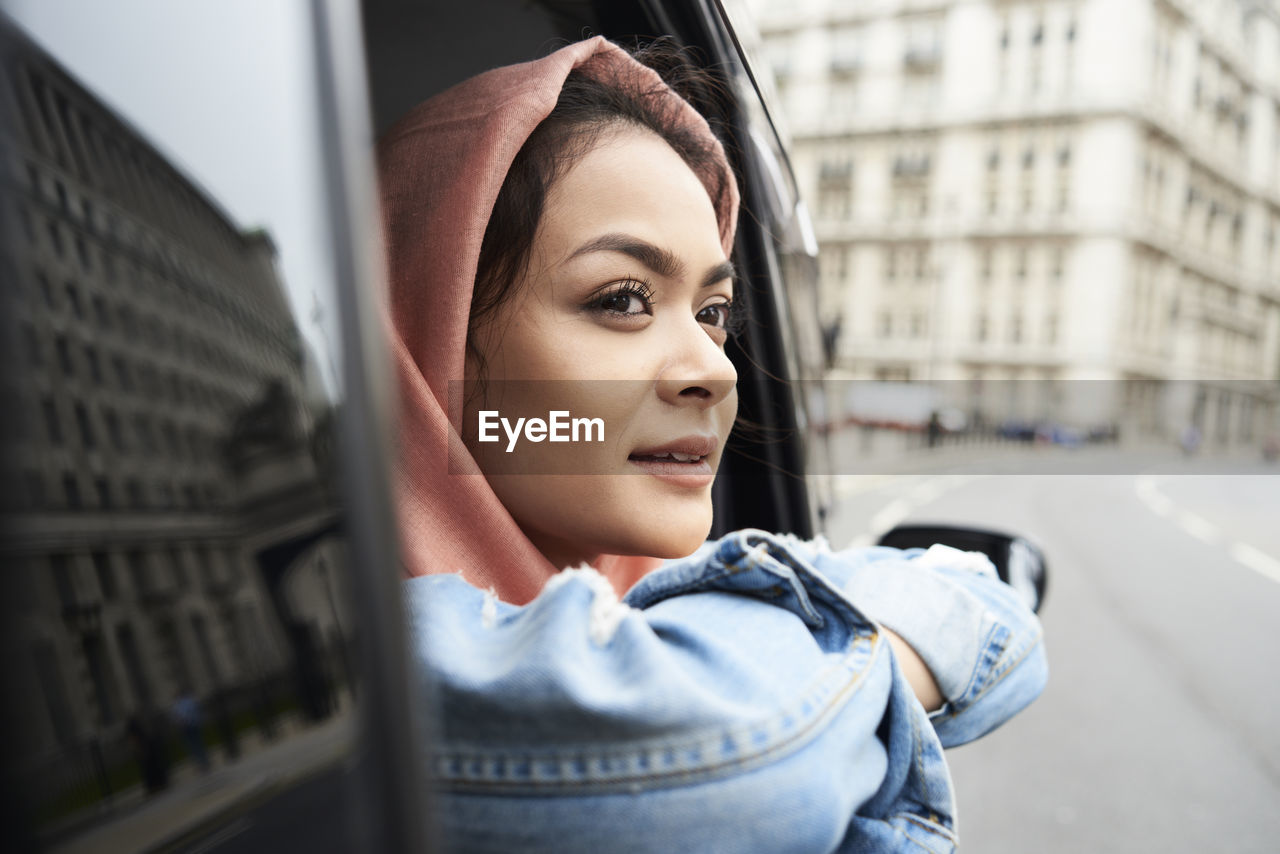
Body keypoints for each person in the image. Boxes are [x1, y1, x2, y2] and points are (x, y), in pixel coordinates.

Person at [381, 37, 1046, 852]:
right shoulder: (360, 638)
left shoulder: (655, 588)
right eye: (623, 299)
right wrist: (884, 640)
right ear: (432, 330)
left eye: (712, 312)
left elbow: (995, 623)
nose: (713, 370)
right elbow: (751, 761)